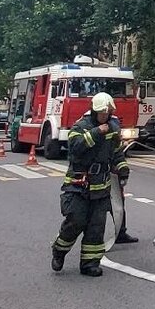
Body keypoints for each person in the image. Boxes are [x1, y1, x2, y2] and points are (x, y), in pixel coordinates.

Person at [51, 91, 130, 276]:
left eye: (107, 113)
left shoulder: (112, 128)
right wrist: (96, 132)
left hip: (101, 187)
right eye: (102, 113)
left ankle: (89, 263)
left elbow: (117, 152)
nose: (105, 116)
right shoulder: (80, 126)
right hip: (79, 185)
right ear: (94, 111)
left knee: (96, 227)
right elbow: (75, 149)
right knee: (75, 222)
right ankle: (59, 250)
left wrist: (122, 167)